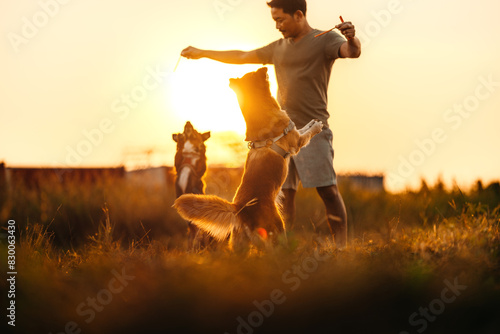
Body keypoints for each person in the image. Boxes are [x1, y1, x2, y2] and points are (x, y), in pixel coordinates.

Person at [181, 0, 361, 248]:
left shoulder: (324, 40)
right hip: (277, 137)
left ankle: (341, 248)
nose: (277, 26)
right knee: (283, 199)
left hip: (314, 129)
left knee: (328, 191)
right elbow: (242, 56)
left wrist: (351, 39)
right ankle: (280, 251)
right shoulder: (278, 48)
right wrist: (203, 52)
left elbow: (352, 52)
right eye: (274, 20)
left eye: (280, 20)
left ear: (298, 15)